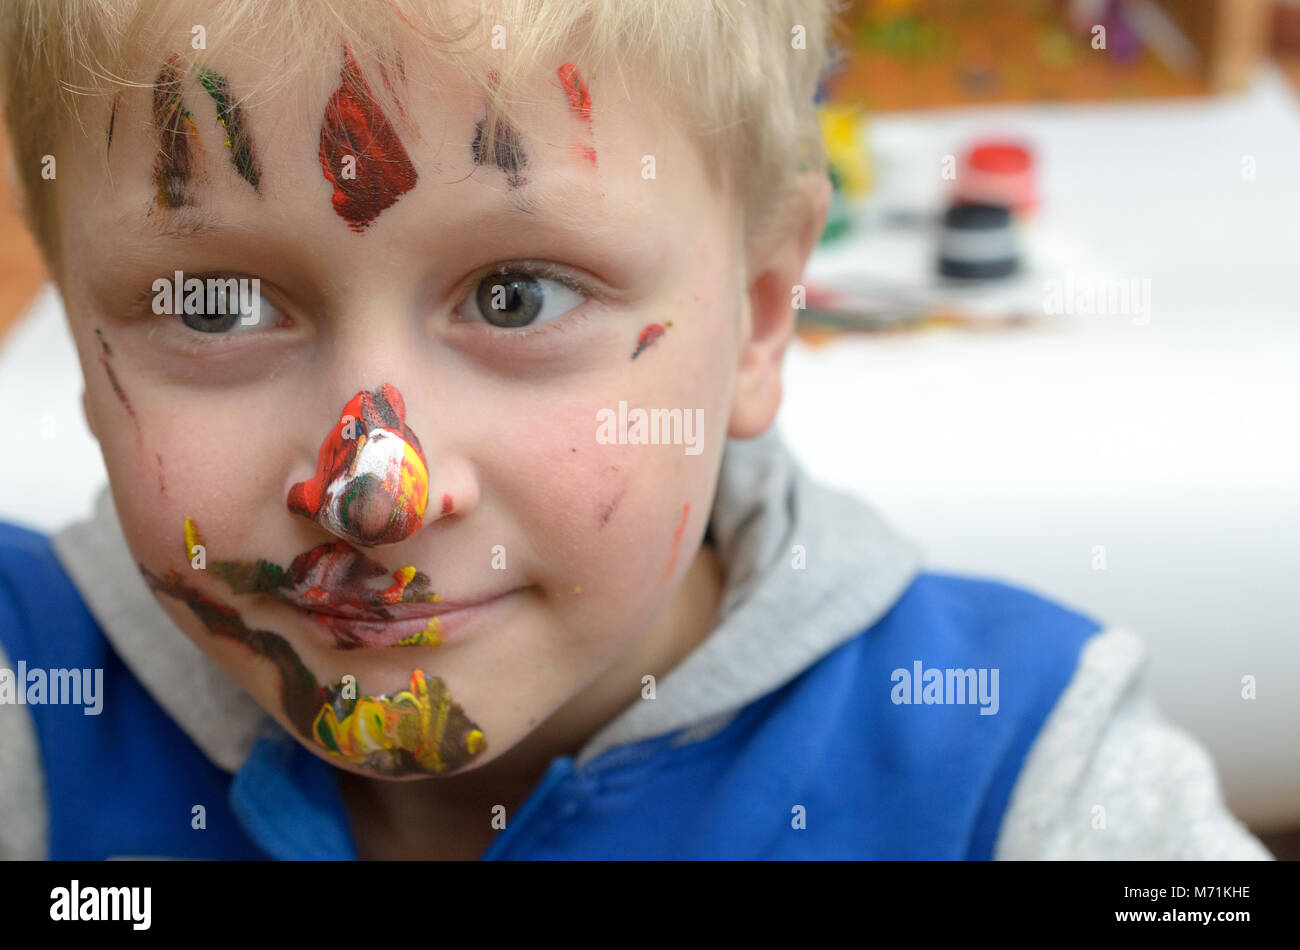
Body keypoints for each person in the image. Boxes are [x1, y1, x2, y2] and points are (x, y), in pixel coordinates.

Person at [0, 0, 1271, 860]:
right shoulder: (30, 701)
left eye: (518, 295)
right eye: (218, 306)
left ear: (763, 315)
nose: (374, 493)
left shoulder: (1015, 776)